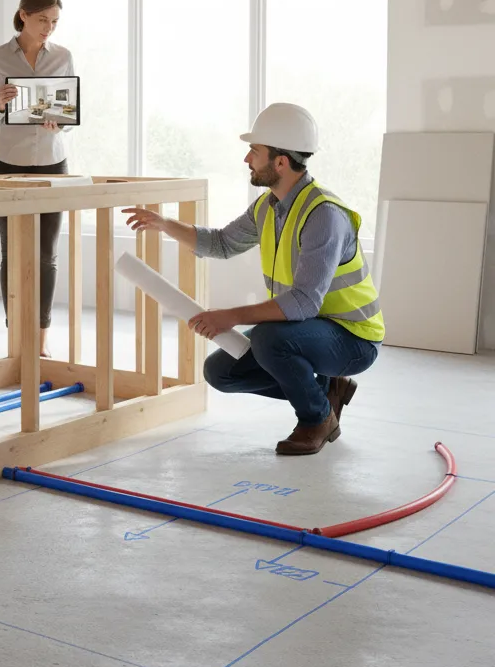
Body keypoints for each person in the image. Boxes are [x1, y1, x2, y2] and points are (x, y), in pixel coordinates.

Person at [122, 103, 384, 456]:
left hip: (352, 337)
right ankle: (326, 388)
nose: (247, 159)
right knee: (221, 372)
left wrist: (228, 316)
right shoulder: (268, 207)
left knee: (269, 339)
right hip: (308, 329)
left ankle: (317, 419)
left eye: (255, 152)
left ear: (280, 161)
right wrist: (165, 224)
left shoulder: (324, 215)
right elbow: (221, 243)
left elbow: (304, 302)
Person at [0, 0, 75, 358]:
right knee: (12, 253)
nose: (48, 28)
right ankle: (15, 337)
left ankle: (41, 339)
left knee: (46, 254)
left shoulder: (63, 56)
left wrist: (60, 123)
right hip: (7, 163)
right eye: (41, 20)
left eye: (54, 21)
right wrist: (1, 105)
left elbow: (68, 116)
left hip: (53, 161)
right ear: (23, 15)